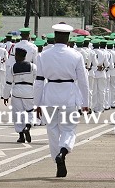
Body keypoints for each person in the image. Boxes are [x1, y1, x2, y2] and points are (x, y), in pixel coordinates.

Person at [34, 23, 89, 178]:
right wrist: (85, 103)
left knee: (52, 129)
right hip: (68, 95)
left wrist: (37, 104)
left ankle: (57, 159)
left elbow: (39, 82)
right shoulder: (76, 55)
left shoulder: (43, 55)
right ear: (68, 38)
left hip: (50, 95)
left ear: (55, 37)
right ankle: (63, 151)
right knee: (69, 129)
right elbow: (83, 81)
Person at [3, 48, 35, 143]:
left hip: (16, 91)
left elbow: (8, 83)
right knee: (30, 110)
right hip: (29, 90)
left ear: (17, 56)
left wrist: (5, 96)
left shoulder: (12, 67)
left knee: (17, 113)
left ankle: (21, 135)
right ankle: (28, 126)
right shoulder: (33, 66)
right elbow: (37, 81)